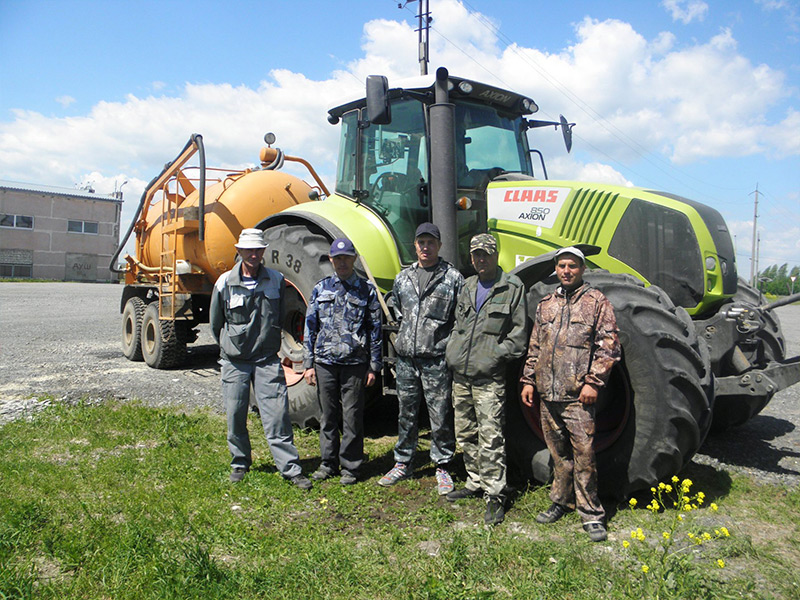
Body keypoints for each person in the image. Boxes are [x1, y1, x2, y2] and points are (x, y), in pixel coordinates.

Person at [520, 246, 620, 542]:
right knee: (558, 454)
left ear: (582, 268)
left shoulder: (596, 302)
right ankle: (559, 502)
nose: (566, 270)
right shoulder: (546, 304)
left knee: (584, 455)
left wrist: (594, 382)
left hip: (577, 395)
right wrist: (528, 380)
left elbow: (609, 347)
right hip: (547, 394)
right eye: (562, 265)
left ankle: (591, 514)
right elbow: (535, 346)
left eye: (572, 266)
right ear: (556, 269)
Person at [209, 228, 312, 489]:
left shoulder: (276, 280)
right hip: (235, 361)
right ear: (240, 251)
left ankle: (290, 469)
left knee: (277, 415)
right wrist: (231, 346)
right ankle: (240, 462)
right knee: (235, 414)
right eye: (248, 250)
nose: (254, 254)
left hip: (266, 359)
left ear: (263, 251)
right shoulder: (224, 283)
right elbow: (216, 323)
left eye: (258, 250)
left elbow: (278, 316)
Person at [445, 233, 528, 525]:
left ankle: (495, 494)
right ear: (471, 258)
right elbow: (459, 325)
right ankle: (475, 481)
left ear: (496, 255)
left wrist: (493, 355)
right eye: (477, 254)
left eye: (487, 254)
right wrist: (452, 352)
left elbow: (518, 337)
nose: (482, 259)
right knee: (465, 432)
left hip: (488, 378)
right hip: (461, 375)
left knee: (491, 436)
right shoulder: (467, 286)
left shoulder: (512, 287)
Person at [378, 222, 464, 495]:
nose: (425, 247)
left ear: (439, 245)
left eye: (430, 243)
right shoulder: (403, 278)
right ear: (414, 246)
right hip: (406, 361)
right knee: (406, 413)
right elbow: (399, 311)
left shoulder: (452, 278)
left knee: (440, 415)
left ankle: (443, 466)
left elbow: (459, 320)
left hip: (436, 360)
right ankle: (403, 462)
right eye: (421, 242)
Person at [302, 237, 382, 485]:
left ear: (354, 259)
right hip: (324, 362)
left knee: (352, 416)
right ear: (331, 261)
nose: (342, 262)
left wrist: (374, 366)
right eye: (337, 258)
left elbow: (375, 330)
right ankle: (327, 464)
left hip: (354, 364)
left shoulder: (367, 290)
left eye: (346, 258)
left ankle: (351, 466)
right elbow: (310, 327)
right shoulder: (321, 288)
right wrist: (308, 364)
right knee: (328, 416)